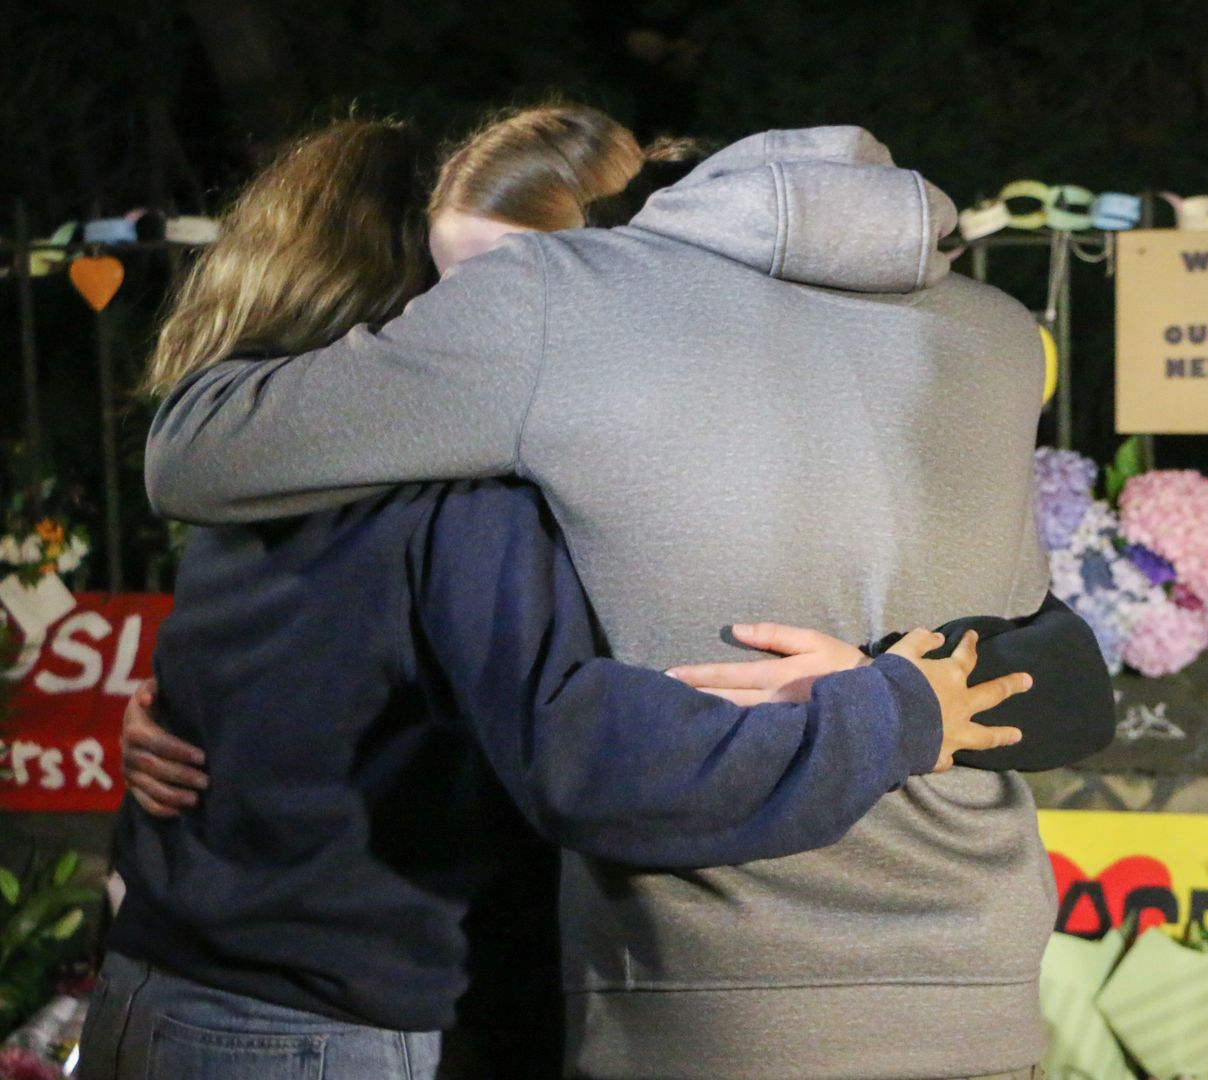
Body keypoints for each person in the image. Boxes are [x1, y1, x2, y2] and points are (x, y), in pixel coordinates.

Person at [77, 116, 1056, 1080]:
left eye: (498, 282)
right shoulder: (446, 468)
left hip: (211, 972)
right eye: (452, 284)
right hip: (340, 998)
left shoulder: (463, 437)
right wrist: (895, 711)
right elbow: (584, 755)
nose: (470, 317)